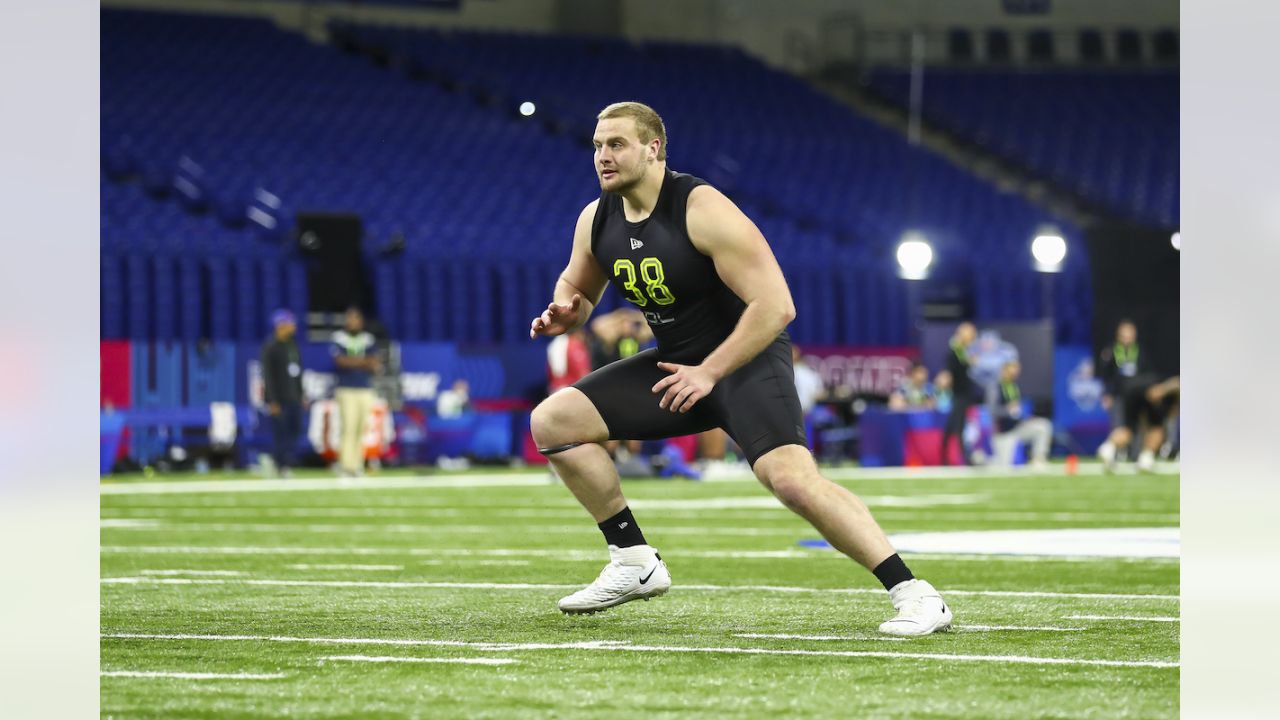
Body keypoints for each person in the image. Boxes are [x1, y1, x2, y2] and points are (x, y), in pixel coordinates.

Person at [527, 101, 950, 636]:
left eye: (617, 144)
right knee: (554, 422)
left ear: (653, 148)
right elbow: (578, 287)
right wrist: (566, 311)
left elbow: (776, 307)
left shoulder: (701, 208)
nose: (603, 157)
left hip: (745, 359)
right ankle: (634, 559)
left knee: (791, 481)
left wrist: (708, 372)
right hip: (679, 364)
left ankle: (916, 594)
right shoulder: (597, 217)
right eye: (597, 146)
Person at [1096, 319, 1164, 472]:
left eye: (1130, 334)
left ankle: (1131, 454)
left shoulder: (1140, 350)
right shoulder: (1111, 351)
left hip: (1138, 393)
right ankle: (1115, 454)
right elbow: (1107, 376)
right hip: (1119, 394)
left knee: (1134, 427)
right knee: (1121, 425)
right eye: (1124, 334)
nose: (1127, 338)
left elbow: (1147, 371)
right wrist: (1108, 394)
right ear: (1118, 335)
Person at [330, 306, 379, 477]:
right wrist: (362, 362)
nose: (352, 322)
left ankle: (357, 465)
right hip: (346, 389)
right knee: (348, 427)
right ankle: (345, 466)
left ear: (361, 321)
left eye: (355, 318)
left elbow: (374, 363)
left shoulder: (368, 339)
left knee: (360, 428)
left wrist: (354, 362)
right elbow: (340, 361)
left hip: (365, 389)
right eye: (349, 318)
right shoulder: (339, 338)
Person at [261, 309, 304, 477]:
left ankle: (279, 461)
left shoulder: (292, 345)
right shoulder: (270, 347)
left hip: (294, 397)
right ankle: (280, 464)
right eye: (290, 324)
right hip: (279, 399)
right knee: (281, 433)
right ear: (280, 326)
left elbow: (299, 371)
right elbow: (268, 376)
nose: (293, 327)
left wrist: (301, 394)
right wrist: (272, 400)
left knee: (295, 430)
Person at [988, 361, 1052, 470]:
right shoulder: (995, 387)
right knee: (1002, 467)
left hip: (1017, 429)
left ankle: (1038, 459)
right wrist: (1007, 410)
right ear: (1004, 371)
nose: (1014, 374)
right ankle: (983, 460)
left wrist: (1026, 418)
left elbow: (1017, 412)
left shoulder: (1014, 387)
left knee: (1042, 426)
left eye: (1016, 372)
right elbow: (992, 411)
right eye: (1011, 371)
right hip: (1003, 433)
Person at [939, 322, 979, 465]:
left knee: (955, 426)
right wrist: (969, 362)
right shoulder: (956, 349)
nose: (972, 336)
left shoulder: (963, 349)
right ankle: (962, 459)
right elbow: (955, 368)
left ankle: (947, 458)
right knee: (957, 426)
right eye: (970, 333)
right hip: (959, 393)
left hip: (963, 393)